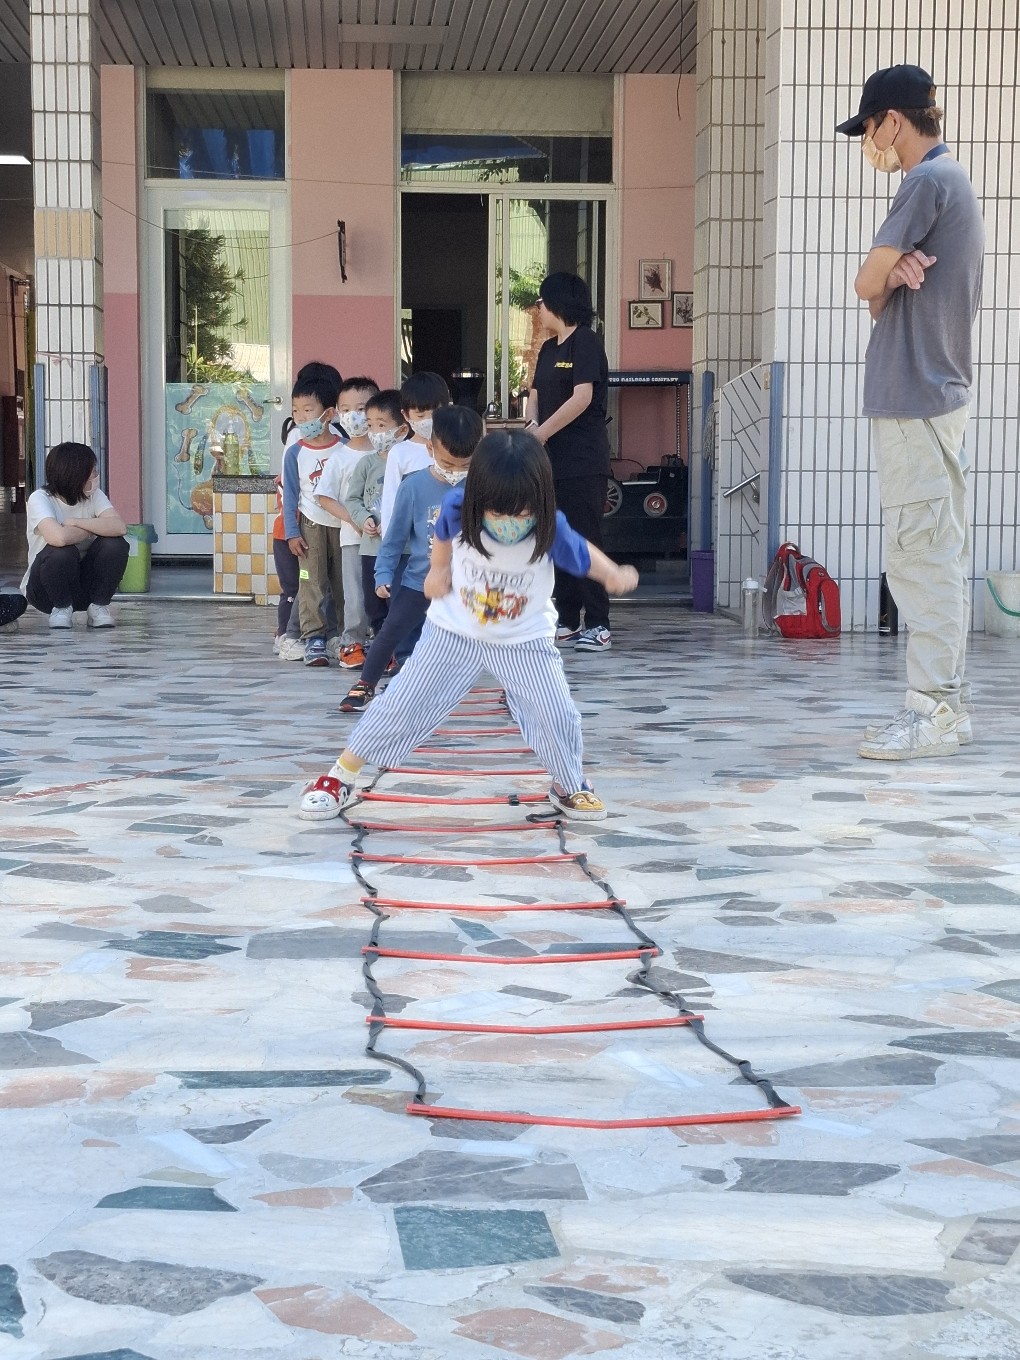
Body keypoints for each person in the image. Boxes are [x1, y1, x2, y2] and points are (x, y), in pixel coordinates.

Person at [298, 428, 638, 823]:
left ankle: (569, 782)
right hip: (454, 630)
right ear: (477, 497)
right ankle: (340, 775)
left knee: (555, 712)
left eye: (521, 513)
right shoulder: (458, 507)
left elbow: (584, 553)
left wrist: (612, 574)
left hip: (523, 637)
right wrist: (438, 571)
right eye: (497, 512)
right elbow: (442, 536)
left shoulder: (551, 526)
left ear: (540, 500)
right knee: (403, 701)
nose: (509, 521)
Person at [838, 65, 984, 760]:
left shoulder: (926, 181)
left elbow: (863, 281)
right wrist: (889, 278)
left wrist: (883, 275)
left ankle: (936, 710)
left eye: (871, 129)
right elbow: (877, 294)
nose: (872, 144)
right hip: (926, 398)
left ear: (893, 120)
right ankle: (939, 706)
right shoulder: (948, 182)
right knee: (926, 553)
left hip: (918, 398)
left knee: (923, 557)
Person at [338, 404, 480, 713]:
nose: (455, 472)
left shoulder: (482, 488)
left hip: (469, 586)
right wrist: (383, 573)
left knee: (498, 636)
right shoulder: (413, 486)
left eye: (465, 466)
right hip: (419, 582)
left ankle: (518, 690)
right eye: (448, 463)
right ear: (430, 449)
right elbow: (394, 539)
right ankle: (365, 684)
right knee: (390, 631)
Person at [526, 272, 613, 653]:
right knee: (556, 537)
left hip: (582, 460)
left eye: (542, 302)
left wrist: (542, 433)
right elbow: (533, 395)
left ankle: (598, 623)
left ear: (558, 303)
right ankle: (567, 618)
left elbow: (581, 398)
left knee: (585, 538)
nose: (539, 309)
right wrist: (532, 425)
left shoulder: (586, 342)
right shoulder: (548, 348)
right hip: (549, 462)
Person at [22, 442, 129, 629]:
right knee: (61, 552)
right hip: (45, 591)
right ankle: (61, 609)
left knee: (115, 544)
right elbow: (59, 538)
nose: (96, 476)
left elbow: (119, 527)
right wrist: (95, 527)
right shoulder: (40, 498)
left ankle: (98, 607)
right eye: (92, 471)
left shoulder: (94, 495)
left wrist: (75, 522)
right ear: (75, 474)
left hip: (83, 589)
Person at [276, 362, 342, 661]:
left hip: (342, 526)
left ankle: (338, 636)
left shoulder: (344, 448)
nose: (301, 417)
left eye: (308, 410)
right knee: (310, 582)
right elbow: (289, 495)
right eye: (296, 411)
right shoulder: (296, 451)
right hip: (310, 526)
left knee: (341, 584)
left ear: (328, 413)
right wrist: (292, 533)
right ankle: (312, 637)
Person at [315, 376, 379, 668]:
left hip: (388, 540)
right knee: (355, 596)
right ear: (337, 414)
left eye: (362, 408)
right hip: (353, 541)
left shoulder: (389, 452)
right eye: (346, 409)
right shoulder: (340, 457)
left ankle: (383, 641)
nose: (354, 416)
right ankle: (352, 643)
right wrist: (352, 519)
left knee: (384, 591)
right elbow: (324, 497)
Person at [344, 389, 408, 640]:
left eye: (382, 425)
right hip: (371, 547)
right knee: (373, 603)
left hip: (402, 550)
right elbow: (352, 499)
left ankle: (396, 646)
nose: (374, 432)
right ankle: (381, 641)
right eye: (370, 425)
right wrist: (364, 519)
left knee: (397, 599)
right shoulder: (367, 464)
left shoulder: (410, 463)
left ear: (402, 429)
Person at [378, 372, 452, 533]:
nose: (429, 420)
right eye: (420, 415)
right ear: (405, 415)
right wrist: (390, 540)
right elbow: (390, 501)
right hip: (411, 541)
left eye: (436, 413)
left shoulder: (455, 448)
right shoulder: (399, 453)